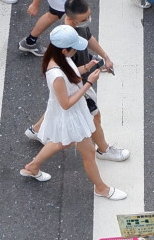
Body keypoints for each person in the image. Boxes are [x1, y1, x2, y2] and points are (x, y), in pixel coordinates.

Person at [18, 24, 126, 199]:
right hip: (70, 114)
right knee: (89, 153)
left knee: (62, 142)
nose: (76, 51)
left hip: (71, 113)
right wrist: (89, 83)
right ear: (64, 50)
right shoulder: (57, 75)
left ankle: (33, 167)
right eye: (74, 48)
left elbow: (72, 74)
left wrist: (87, 67)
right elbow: (66, 104)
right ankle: (101, 188)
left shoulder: (57, 59)